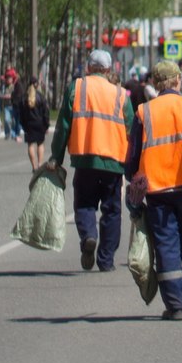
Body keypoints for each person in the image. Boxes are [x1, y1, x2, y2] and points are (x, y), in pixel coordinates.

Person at [125, 60, 182, 320]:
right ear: (178, 81)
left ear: (155, 83)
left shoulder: (144, 112)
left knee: (166, 246)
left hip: (157, 192)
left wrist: (133, 189)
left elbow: (132, 158)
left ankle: (175, 305)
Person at [46, 50, 130, 273]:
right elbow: (132, 130)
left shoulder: (77, 88)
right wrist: (135, 164)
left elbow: (63, 126)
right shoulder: (121, 95)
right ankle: (106, 260)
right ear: (109, 70)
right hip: (113, 161)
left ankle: (89, 236)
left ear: (89, 67)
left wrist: (56, 156)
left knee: (84, 204)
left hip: (85, 159)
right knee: (112, 210)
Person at [18, 80, 50, 172]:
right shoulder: (41, 97)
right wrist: (46, 124)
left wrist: (23, 125)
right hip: (39, 124)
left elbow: (21, 114)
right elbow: (46, 112)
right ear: (37, 86)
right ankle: (40, 164)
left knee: (31, 144)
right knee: (40, 143)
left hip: (29, 124)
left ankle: (34, 166)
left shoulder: (24, 98)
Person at [0, 70, 21, 140]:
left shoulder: (15, 86)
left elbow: (16, 95)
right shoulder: (4, 87)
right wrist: (4, 96)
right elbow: (1, 94)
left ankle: (14, 133)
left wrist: (10, 96)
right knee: (6, 120)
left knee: (14, 121)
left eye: (10, 78)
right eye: (7, 78)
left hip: (13, 105)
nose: (9, 80)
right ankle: (7, 133)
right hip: (6, 106)